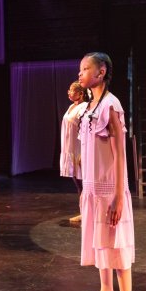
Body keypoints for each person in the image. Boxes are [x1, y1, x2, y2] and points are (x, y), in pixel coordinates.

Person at [74, 52, 136, 291]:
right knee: (101, 240)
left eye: (85, 69)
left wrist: (120, 195)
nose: (80, 73)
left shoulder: (111, 105)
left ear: (100, 73)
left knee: (116, 245)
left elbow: (120, 154)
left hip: (110, 187)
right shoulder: (89, 106)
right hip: (93, 187)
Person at [61, 81, 88, 223]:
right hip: (70, 148)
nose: (69, 92)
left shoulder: (84, 107)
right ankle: (83, 211)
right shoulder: (72, 106)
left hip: (79, 149)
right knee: (78, 182)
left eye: (72, 90)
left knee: (83, 182)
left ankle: (87, 212)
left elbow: (84, 130)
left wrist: (84, 153)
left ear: (80, 94)